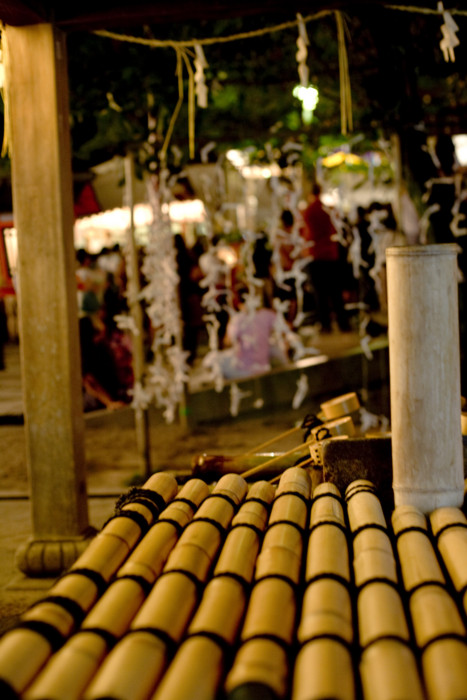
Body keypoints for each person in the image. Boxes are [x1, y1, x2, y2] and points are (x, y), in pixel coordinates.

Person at [302, 183, 350, 333]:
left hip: (316, 255)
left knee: (319, 293)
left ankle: (325, 325)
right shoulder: (328, 210)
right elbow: (336, 230)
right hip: (331, 254)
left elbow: (305, 234)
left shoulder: (308, 212)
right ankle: (343, 323)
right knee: (336, 291)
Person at [218, 288, 288, 380]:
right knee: (274, 348)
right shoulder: (267, 314)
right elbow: (285, 331)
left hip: (244, 371)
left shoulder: (238, 319)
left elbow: (228, 342)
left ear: (239, 304)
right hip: (264, 367)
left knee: (214, 360)